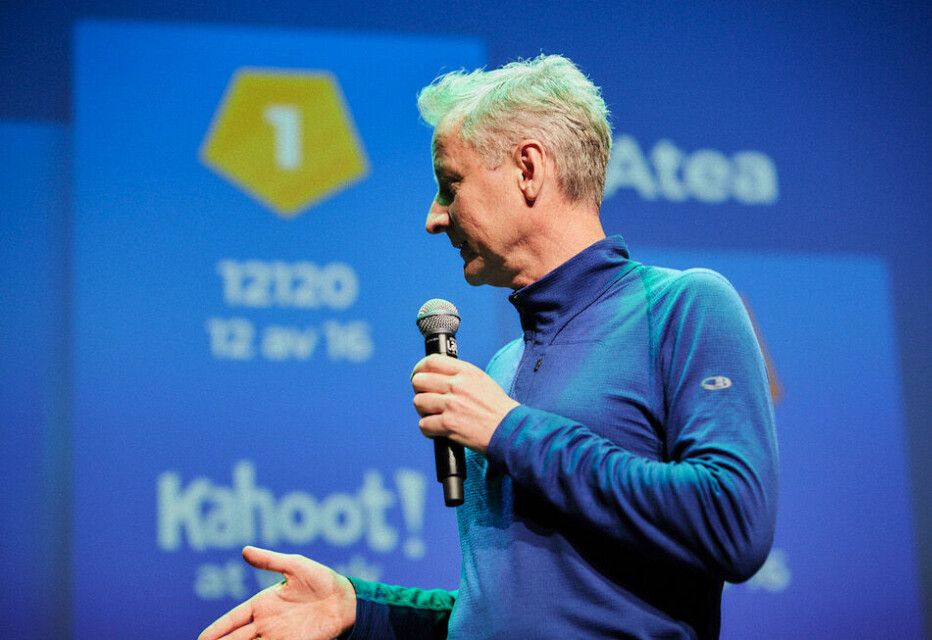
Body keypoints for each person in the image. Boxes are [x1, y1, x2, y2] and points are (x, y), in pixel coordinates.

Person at [199, 54, 778, 640]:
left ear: (528, 168)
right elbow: (507, 614)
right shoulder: (504, 366)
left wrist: (510, 430)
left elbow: (733, 524)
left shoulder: (685, 307)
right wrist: (359, 608)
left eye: (450, 185)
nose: (434, 218)